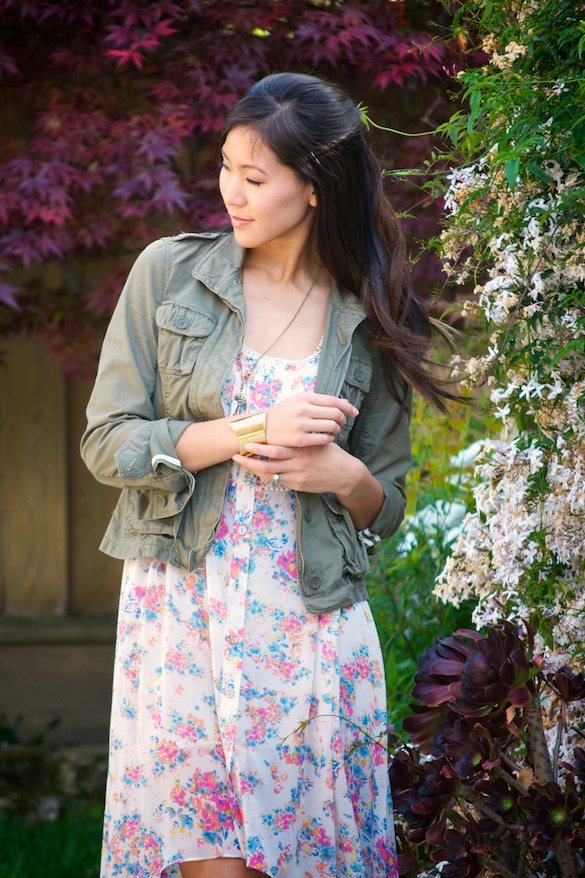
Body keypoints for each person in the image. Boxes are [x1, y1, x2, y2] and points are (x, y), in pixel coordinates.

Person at [81, 72, 447, 878]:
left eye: (254, 177)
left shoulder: (372, 310)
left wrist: (342, 471)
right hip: (183, 612)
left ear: (313, 188)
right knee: (212, 862)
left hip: (306, 620)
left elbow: (382, 507)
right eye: (224, 168)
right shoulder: (168, 274)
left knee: (309, 858)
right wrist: (250, 429)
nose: (230, 193)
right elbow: (109, 443)